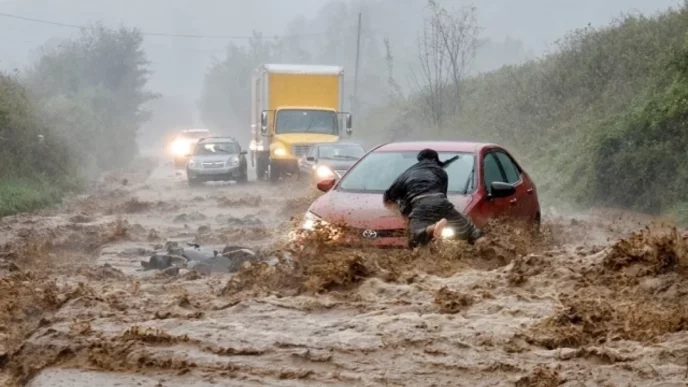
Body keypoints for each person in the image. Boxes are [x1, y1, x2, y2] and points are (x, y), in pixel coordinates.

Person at [382, 148, 484, 248]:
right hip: (440, 201)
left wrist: (402, 211)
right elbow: (443, 196)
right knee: (473, 231)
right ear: (435, 159)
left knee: (414, 238)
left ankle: (431, 228)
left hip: (419, 204)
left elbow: (388, 197)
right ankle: (486, 250)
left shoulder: (405, 174)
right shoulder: (441, 172)